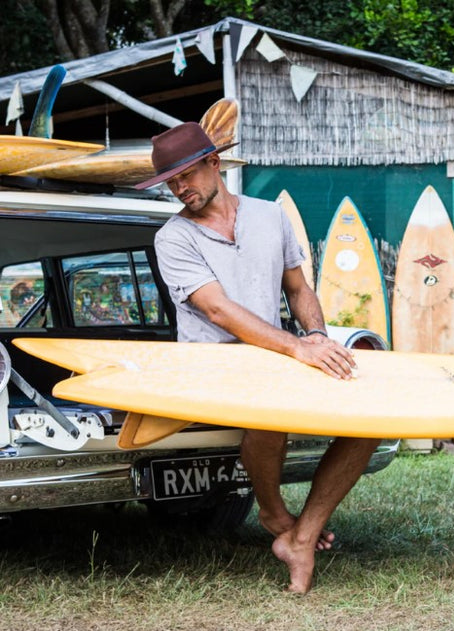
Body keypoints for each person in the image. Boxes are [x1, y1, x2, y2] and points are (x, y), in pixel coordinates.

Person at [136, 122, 380, 594]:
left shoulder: (270, 216)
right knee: (268, 414)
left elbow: (298, 288)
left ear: (214, 163)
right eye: (171, 183)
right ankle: (271, 511)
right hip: (213, 365)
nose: (180, 189)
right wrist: (296, 348)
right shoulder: (173, 238)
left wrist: (316, 337)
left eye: (186, 175)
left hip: (276, 356)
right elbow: (216, 310)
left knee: (369, 420)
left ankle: (302, 536)